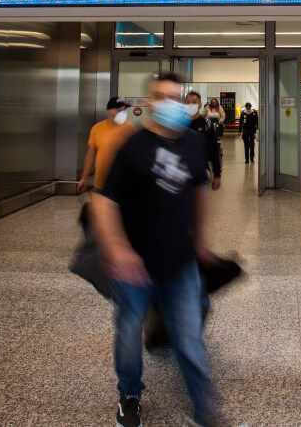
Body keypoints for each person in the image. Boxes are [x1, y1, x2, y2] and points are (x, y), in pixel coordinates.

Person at [91, 72, 222, 427]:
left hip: (180, 262)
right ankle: (130, 395)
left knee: (190, 337)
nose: (173, 104)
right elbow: (103, 201)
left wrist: (200, 240)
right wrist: (118, 250)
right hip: (135, 266)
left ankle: (204, 408)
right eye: (163, 97)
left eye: (177, 98)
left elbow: (198, 191)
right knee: (130, 333)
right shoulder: (132, 146)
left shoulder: (194, 144)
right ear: (149, 103)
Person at [78, 97, 130, 193]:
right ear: (108, 111)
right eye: (119, 110)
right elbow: (90, 155)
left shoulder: (130, 129)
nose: (122, 113)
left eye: (124, 110)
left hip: (123, 183)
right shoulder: (97, 128)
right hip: (101, 183)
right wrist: (84, 178)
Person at [185, 90, 222, 191]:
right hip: (180, 173)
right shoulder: (178, 123)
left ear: (200, 104)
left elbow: (215, 150)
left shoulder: (206, 124)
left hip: (200, 171)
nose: (191, 105)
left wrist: (217, 175)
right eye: (188, 102)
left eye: (194, 102)